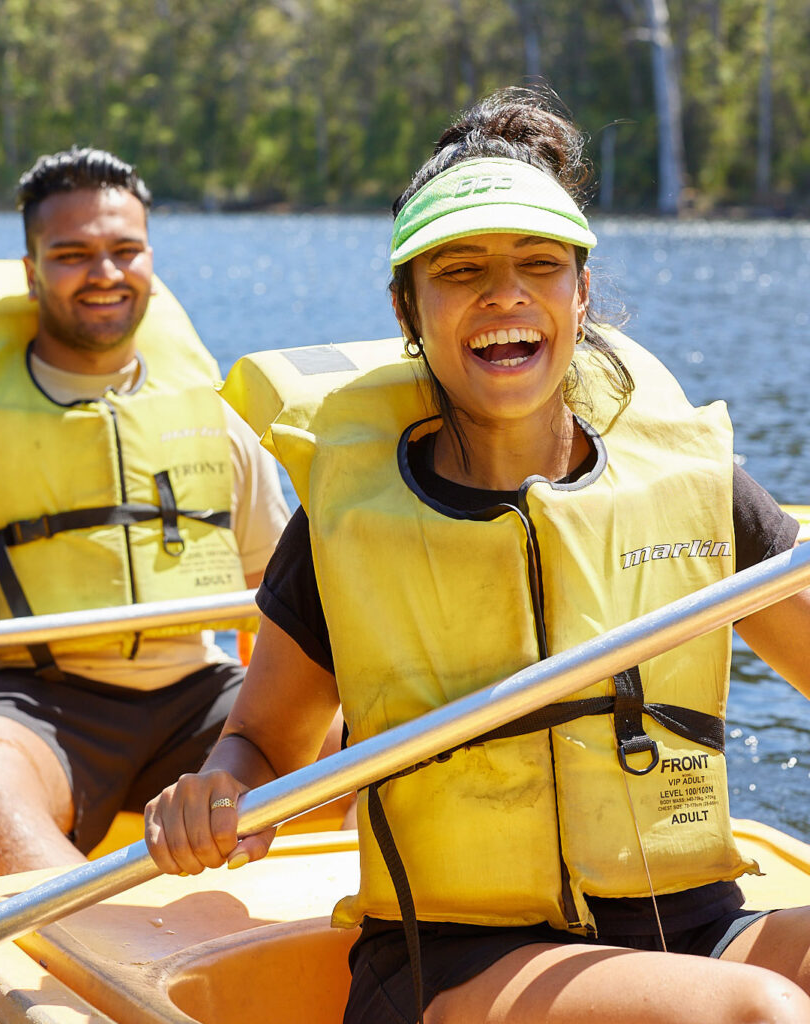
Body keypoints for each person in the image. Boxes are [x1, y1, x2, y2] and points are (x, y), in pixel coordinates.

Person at [144, 89, 810, 1024]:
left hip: (693, 926)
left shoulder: (697, 483)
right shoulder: (347, 521)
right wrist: (215, 792)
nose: (506, 294)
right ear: (407, 308)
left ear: (581, 295)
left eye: (539, 264)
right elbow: (263, 744)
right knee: (759, 1014)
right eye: (460, 270)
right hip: (454, 959)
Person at [0, 147, 290, 882]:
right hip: (28, 702)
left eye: (125, 251)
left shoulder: (224, 423)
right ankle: (80, 964)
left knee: (357, 732)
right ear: (30, 271)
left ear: (150, 261)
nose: (104, 274)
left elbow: (281, 608)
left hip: (200, 699)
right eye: (72, 254)